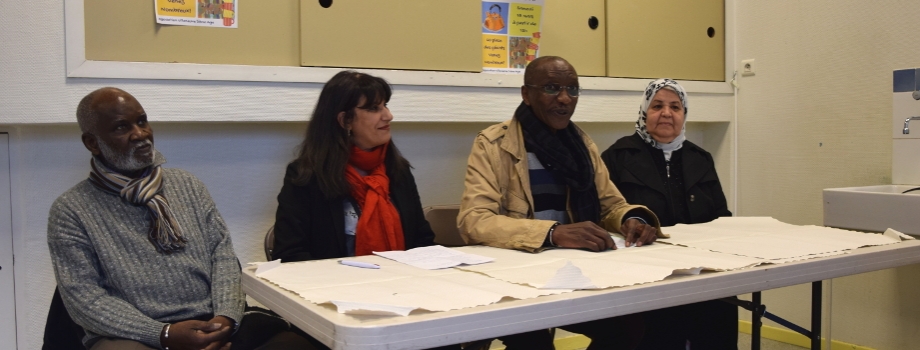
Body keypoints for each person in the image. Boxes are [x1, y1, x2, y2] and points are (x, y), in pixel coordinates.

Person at [47, 87, 312, 350]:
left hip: (211, 322)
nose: (140, 134)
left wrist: (224, 321)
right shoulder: (71, 210)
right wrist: (163, 334)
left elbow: (224, 258)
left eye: (142, 121)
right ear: (92, 143)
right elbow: (85, 299)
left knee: (298, 345)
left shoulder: (188, 186)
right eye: (121, 127)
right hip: (136, 334)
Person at [457, 56, 665, 350]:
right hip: (515, 281)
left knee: (629, 326)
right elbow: (474, 220)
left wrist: (632, 220)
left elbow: (610, 205)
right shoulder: (492, 144)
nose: (565, 98)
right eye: (552, 88)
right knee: (534, 339)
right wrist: (552, 233)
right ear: (526, 94)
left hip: (575, 273)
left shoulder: (582, 145)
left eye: (573, 89)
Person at [600, 78, 736, 349]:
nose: (666, 113)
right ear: (644, 112)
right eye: (657, 105)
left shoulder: (701, 158)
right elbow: (605, 214)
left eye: (675, 107)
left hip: (701, 268)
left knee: (720, 314)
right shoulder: (617, 157)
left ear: (684, 114)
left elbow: (722, 216)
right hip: (645, 271)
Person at [271, 70, 436, 263]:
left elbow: (422, 242)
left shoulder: (397, 170)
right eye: (374, 108)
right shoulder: (306, 176)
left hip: (400, 286)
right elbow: (290, 254)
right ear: (345, 120)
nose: (388, 116)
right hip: (333, 288)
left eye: (386, 106)